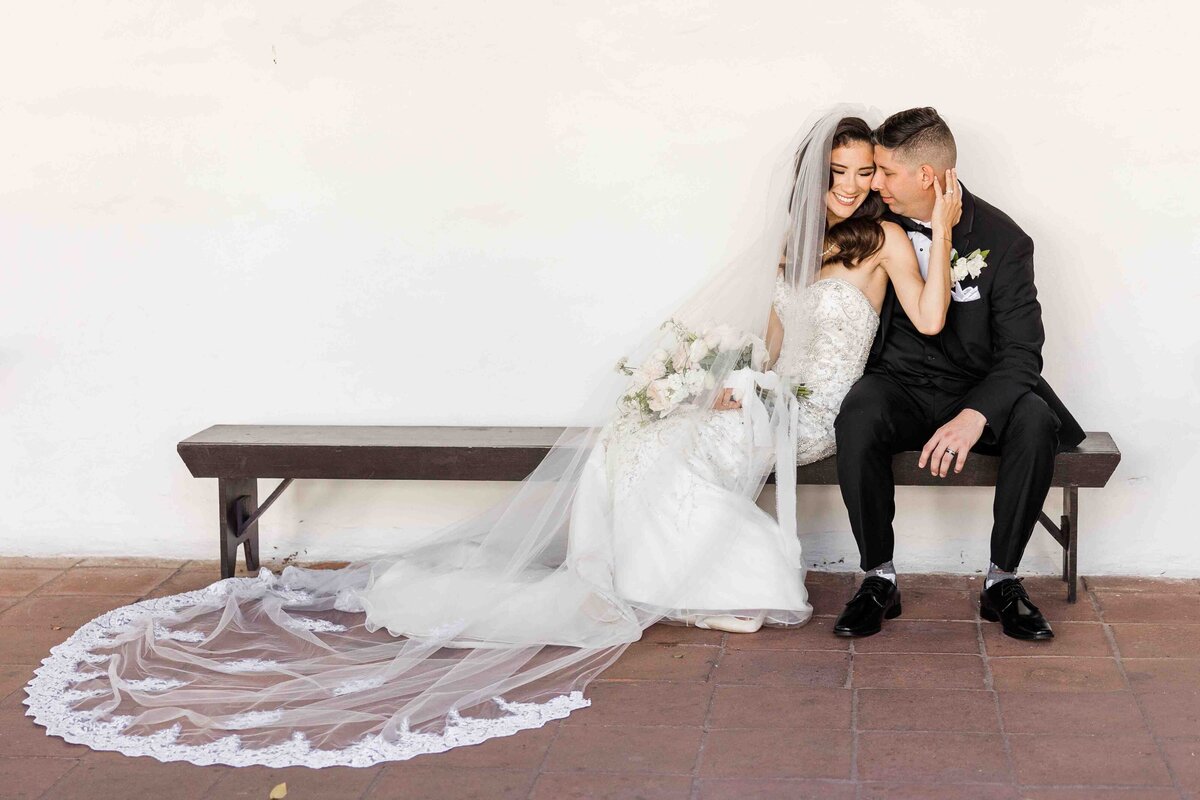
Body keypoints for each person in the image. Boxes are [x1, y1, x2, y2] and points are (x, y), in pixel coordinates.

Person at [23, 105, 954, 768]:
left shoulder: (889, 250)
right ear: (811, 180)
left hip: (808, 415)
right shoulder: (798, 253)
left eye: (865, 173)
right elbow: (775, 343)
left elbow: (930, 315)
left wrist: (942, 226)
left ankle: (690, 576)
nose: (851, 187)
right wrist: (721, 382)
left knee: (673, 448)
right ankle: (635, 575)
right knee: (635, 444)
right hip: (760, 394)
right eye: (837, 173)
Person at [831, 107, 1086, 640]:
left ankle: (1002, 582)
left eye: (883, 172)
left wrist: (976, 415)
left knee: (1035, 420)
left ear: (926, 176)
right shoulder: (876, 218)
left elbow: (1022, 354)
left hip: (974, 392)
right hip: (898, 385)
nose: (874, 183)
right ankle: (878, 577)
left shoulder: (1004, 239)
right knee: (858, 412)